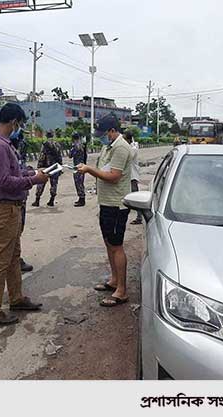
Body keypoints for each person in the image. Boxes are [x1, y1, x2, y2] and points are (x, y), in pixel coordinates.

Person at [0, 103, 48, 325]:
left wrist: (30, 173)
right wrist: (33, 180)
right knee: (0, 261)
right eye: (19, 124)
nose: (19, 128)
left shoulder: (4, 144)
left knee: (13, 258)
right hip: (3, 209)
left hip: (12, 209)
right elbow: (5, 181)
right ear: (13, 122)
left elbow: (13, 172)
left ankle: (16, 298)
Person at [76, 114, 132, 307]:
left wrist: (89, 170)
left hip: (117, 204)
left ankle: (122, 291)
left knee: (116, 245)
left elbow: (114, 176)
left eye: (103, 133)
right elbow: (104, 169)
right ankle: (114, 280)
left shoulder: (121, 148)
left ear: (112, 131)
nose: (100, 137)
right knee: (109, 243)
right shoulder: (108, 146)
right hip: (106, 203)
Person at [8, 129, 35, 273]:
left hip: (21, 197)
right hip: (13, 200)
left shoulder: (15, 151)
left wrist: (31, 172)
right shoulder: (7, 151)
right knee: (14, 232)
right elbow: (10, 179)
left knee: (18, 230)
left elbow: (20, 171)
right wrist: (33, 178)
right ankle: (13, 260)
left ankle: (15, 259)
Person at [32, 131, 62, 207]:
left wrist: (39, 167)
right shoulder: (57, 144)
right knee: (54, 184)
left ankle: (37, 200)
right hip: (55, 166)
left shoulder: (45, 144)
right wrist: (60, 167)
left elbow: (42, 156)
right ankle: (52, 200)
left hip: (46, 167)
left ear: (46, 136)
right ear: (53, 135)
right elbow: (59, 156)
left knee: (41, 183)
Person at [126, 130, 143, 225]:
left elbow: (129, 156)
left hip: (132, 175)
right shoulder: (132, 146)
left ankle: (139, 217)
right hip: (129, 175)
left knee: (135, 197)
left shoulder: (133, 147)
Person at [70, 132, 88, 207]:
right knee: (81, 182)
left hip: (77, 167)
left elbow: (70, 155)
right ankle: (81, 199)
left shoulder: (75, 146)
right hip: (82, 166)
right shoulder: (83, 145)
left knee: (78, 183)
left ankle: (81, 199)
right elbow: (86, 156)